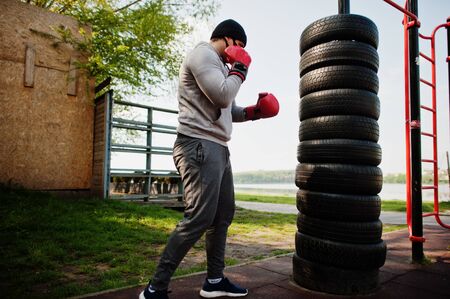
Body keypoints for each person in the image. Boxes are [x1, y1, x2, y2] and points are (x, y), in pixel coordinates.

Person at [139, 19, 279, 299]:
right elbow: (222, 94)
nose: (241, 54)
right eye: (240, 47)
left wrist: (255, 112)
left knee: (223, 214)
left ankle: (214, 281)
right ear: (228, 39)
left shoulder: (221, 67)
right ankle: (155, 287)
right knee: (198, 218)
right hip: (198, 144)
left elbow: (228, 109)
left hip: (218, 147)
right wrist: (241, 69)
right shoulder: (203, 54)